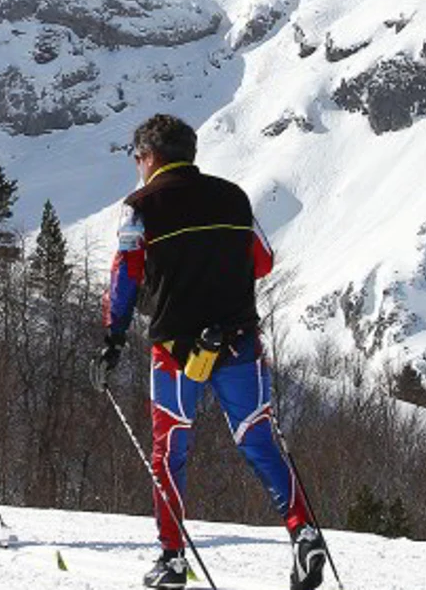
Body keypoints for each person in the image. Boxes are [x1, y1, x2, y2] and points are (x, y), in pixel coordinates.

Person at [93, 114, 330, 590]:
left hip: (175, 349)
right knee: (259, 440)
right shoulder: (233, 197)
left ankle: (173, 558)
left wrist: (113, 338)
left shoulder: (139, 206)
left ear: (149, 156)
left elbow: (125, 278)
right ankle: (303, 532)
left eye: (136, 158)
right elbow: (262, 261)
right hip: (239, 340)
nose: (136, 167)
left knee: (169, 451)